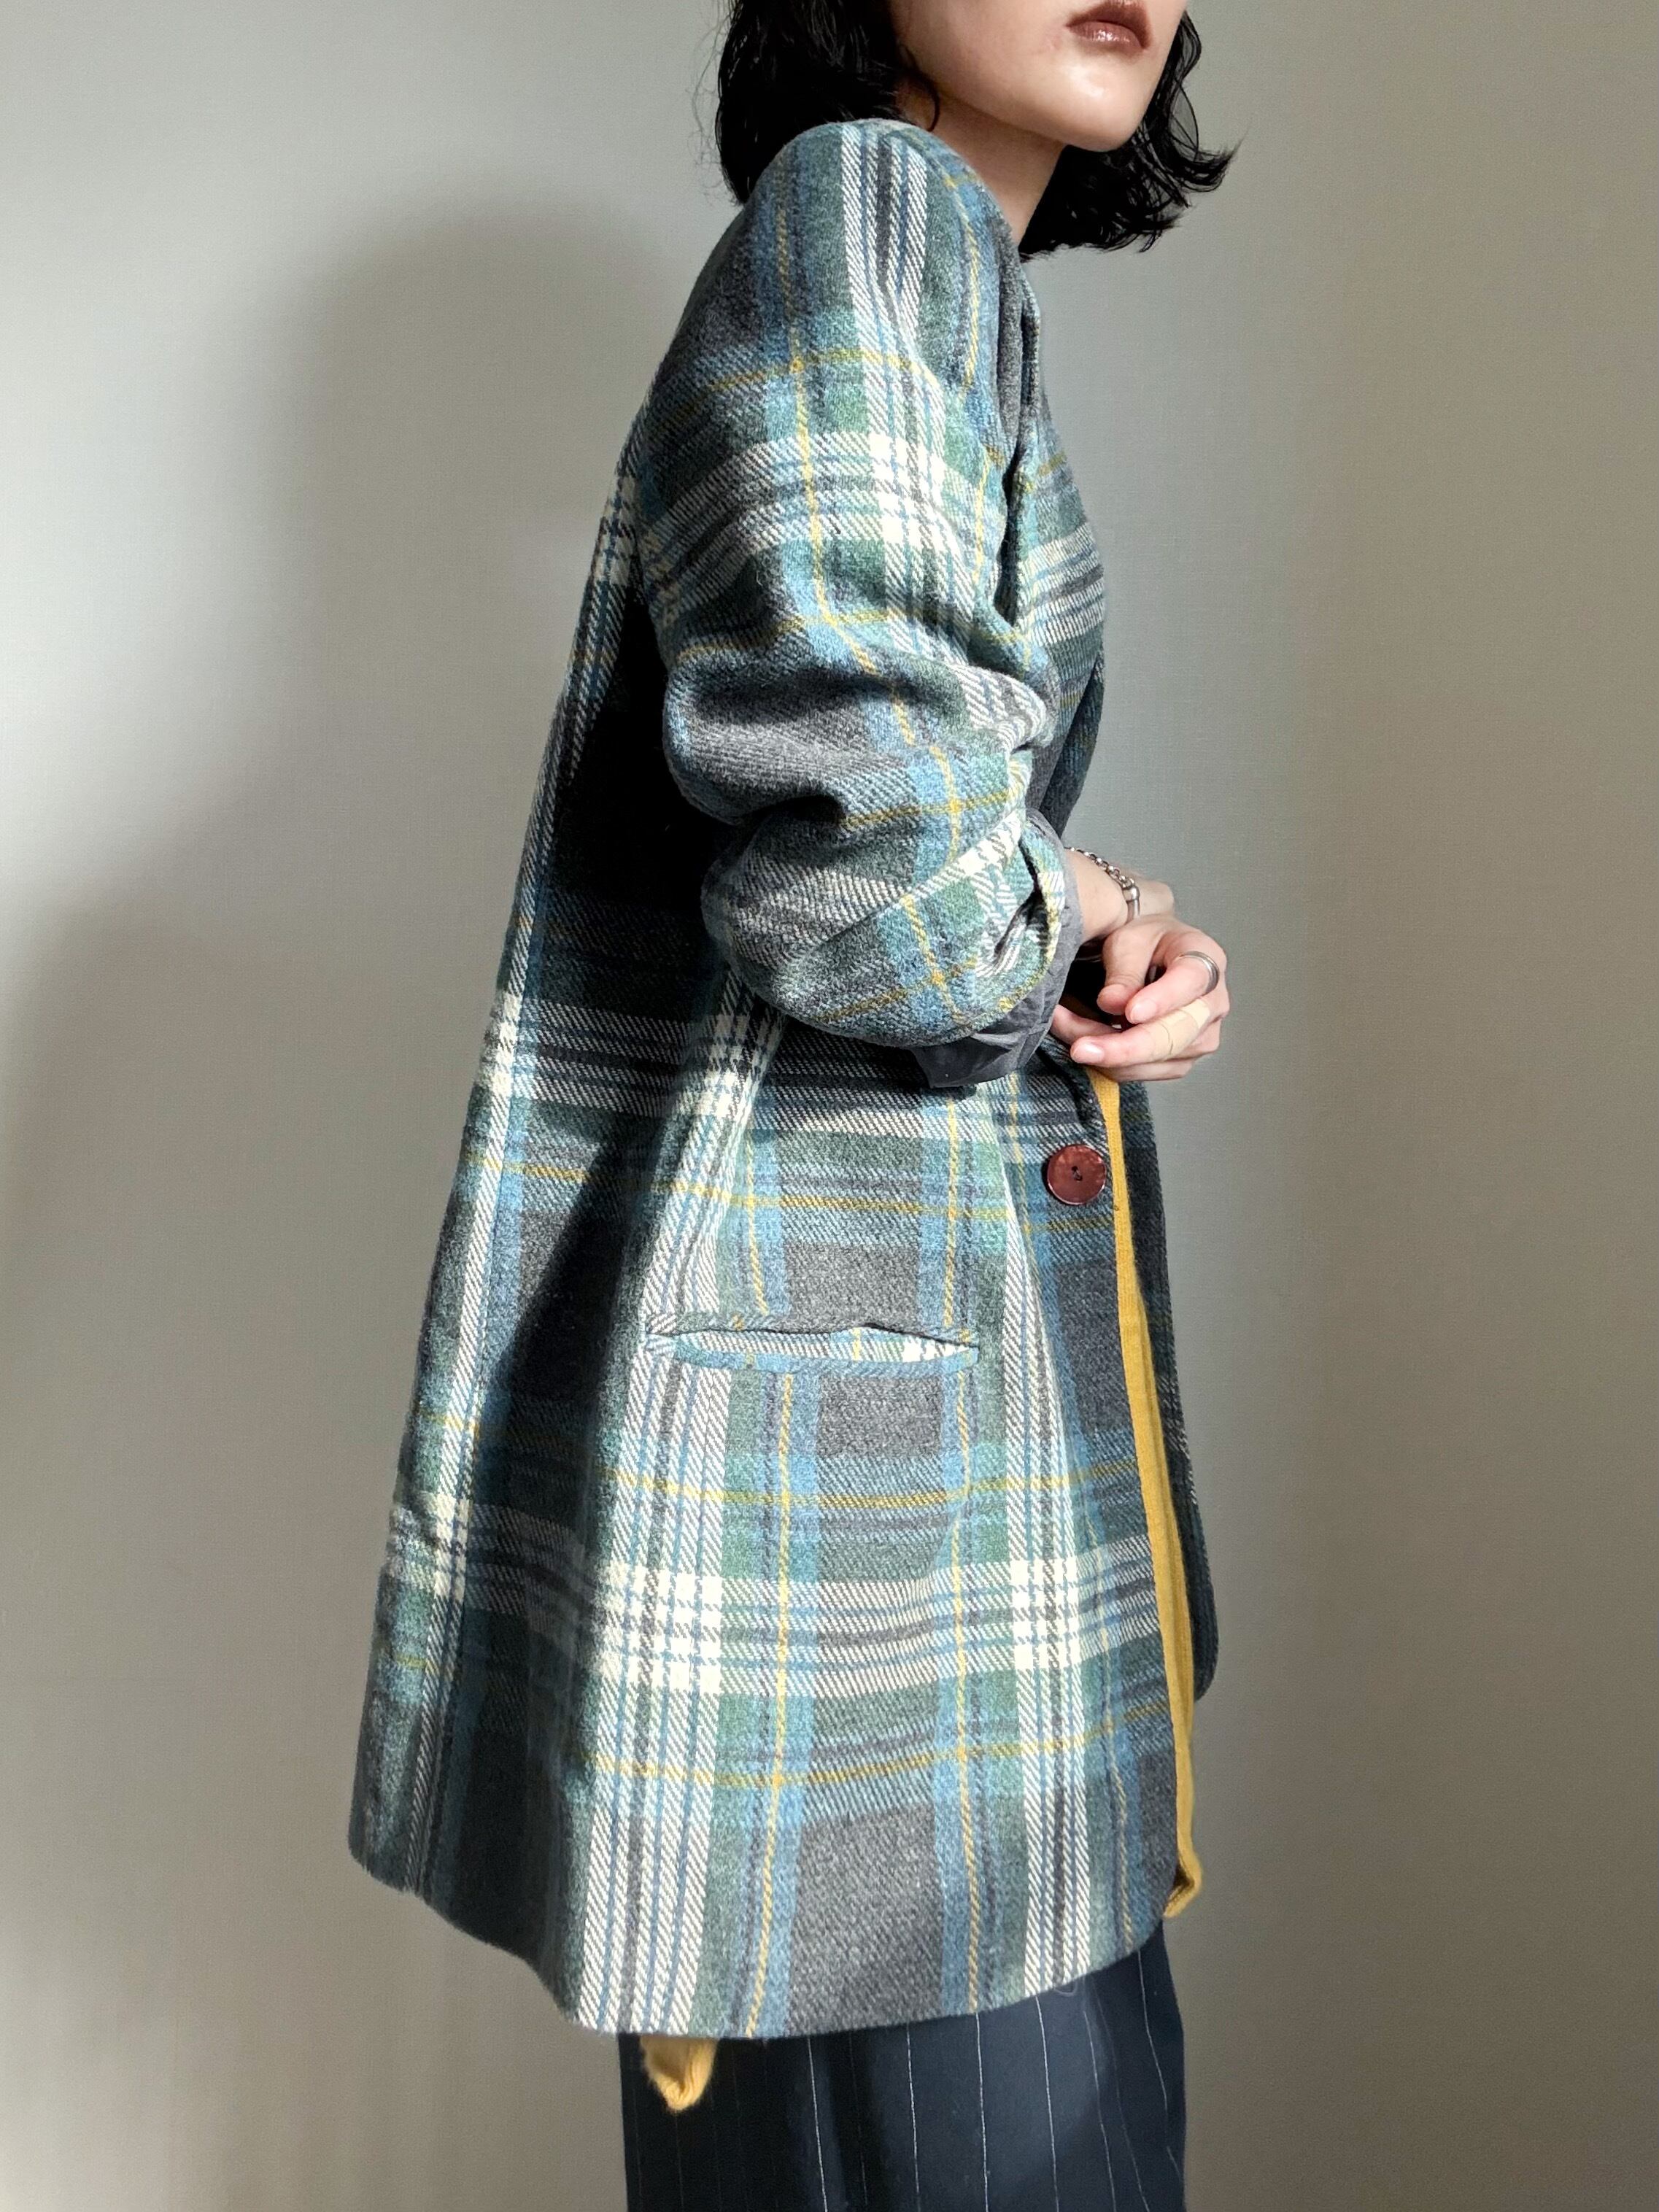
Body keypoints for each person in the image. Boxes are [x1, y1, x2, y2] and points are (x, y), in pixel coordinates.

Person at [347, 0, 1237, 2202]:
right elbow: (881, 883)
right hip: (864, 1583)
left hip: (868, 1541)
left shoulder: (936, 272)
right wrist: (1061, 900)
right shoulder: (868, 214)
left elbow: (905, 821)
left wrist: (1108, 912)